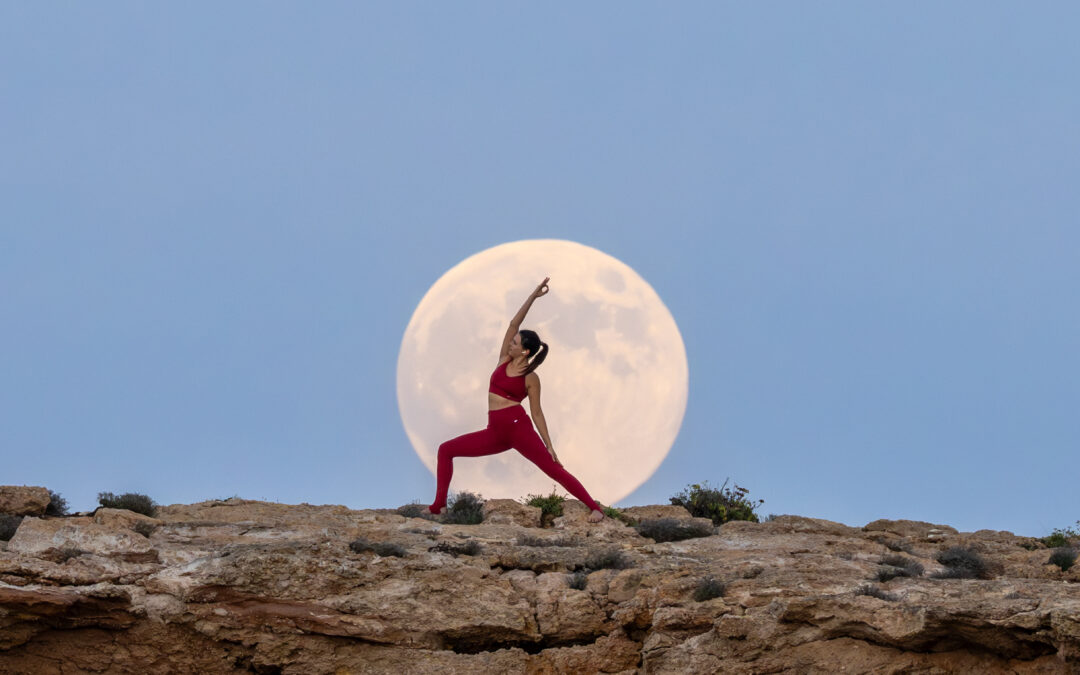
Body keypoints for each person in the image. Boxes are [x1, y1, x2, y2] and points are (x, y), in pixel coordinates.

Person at [424, 277, 605, 523]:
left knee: (554, 470)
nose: (510, 344)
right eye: (512, 341)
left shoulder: (531, 377)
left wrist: (549, 445)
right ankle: (439, 506)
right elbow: (513, 323)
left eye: (515, 343)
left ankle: (595, 508)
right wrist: (532, 297)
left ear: (525, 351)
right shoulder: (503, 360)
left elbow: (537, 412)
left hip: (519, 429)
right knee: (446, 450)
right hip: (495, 432)